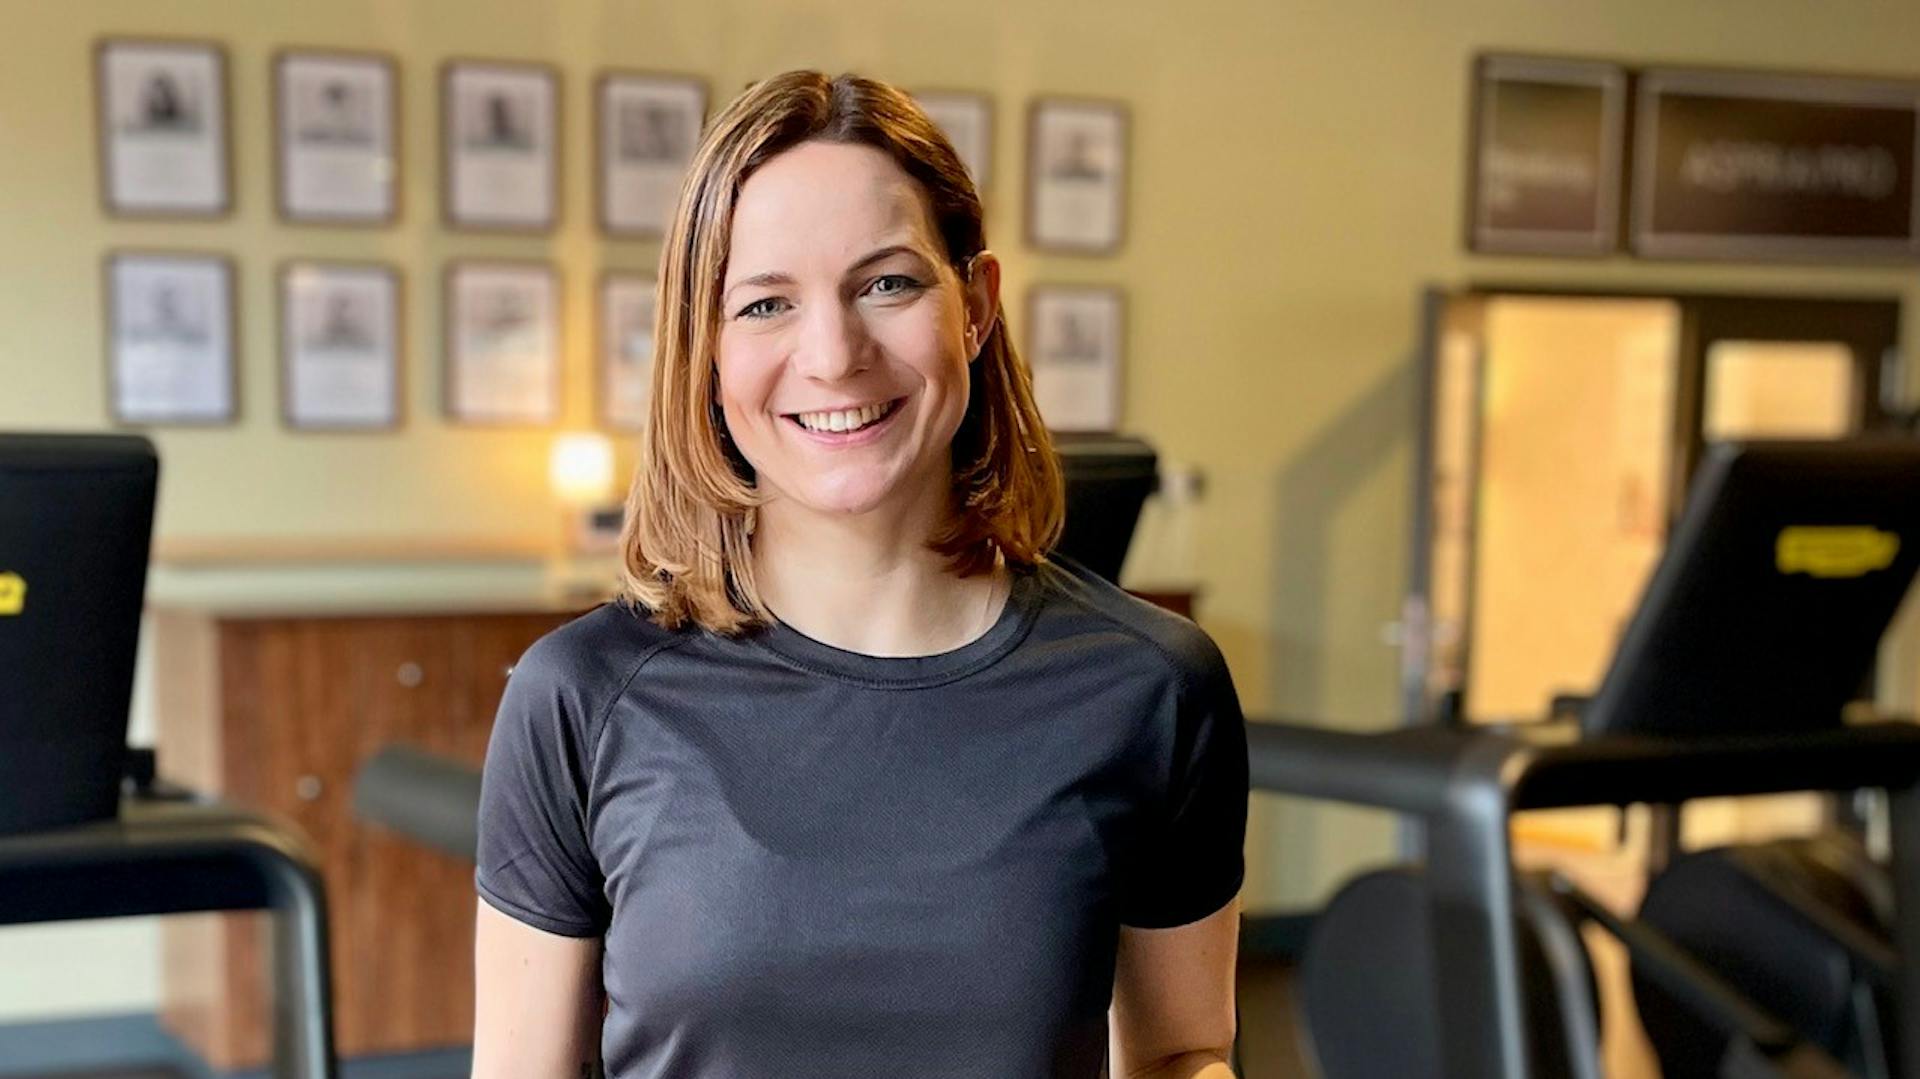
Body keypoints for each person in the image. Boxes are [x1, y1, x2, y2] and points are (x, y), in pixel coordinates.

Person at [472, 70, 1248, 1079]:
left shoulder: (1155, 685)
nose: (834, 355)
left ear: (976, 307)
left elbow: (1181, 1049)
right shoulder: (579, 695)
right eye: (764, 303)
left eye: (888, 284)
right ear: (705, 351)